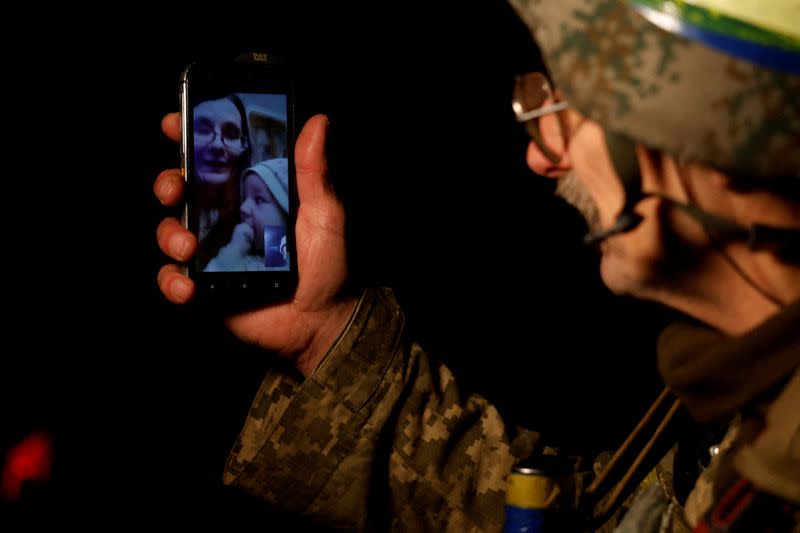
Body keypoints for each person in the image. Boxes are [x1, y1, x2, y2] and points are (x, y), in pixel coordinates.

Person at [154, 1, 799, 531]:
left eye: (574, 107)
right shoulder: (748, 421)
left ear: (719, 140)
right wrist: (325, 335)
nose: (543, 159)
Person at [192, 94, 252, 269]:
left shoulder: (253, 215)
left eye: (232, 133)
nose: (218, 145)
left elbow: (277, 261)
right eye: (203, 129)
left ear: (243, 146)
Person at [205, 158, 291, 272]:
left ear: (285, 209)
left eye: (258, 200)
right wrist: (234, 250)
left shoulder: (294, 264)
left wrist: (233, 252)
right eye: (244, 198)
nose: (243, 208)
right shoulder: (244, 261)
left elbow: (277, 259)